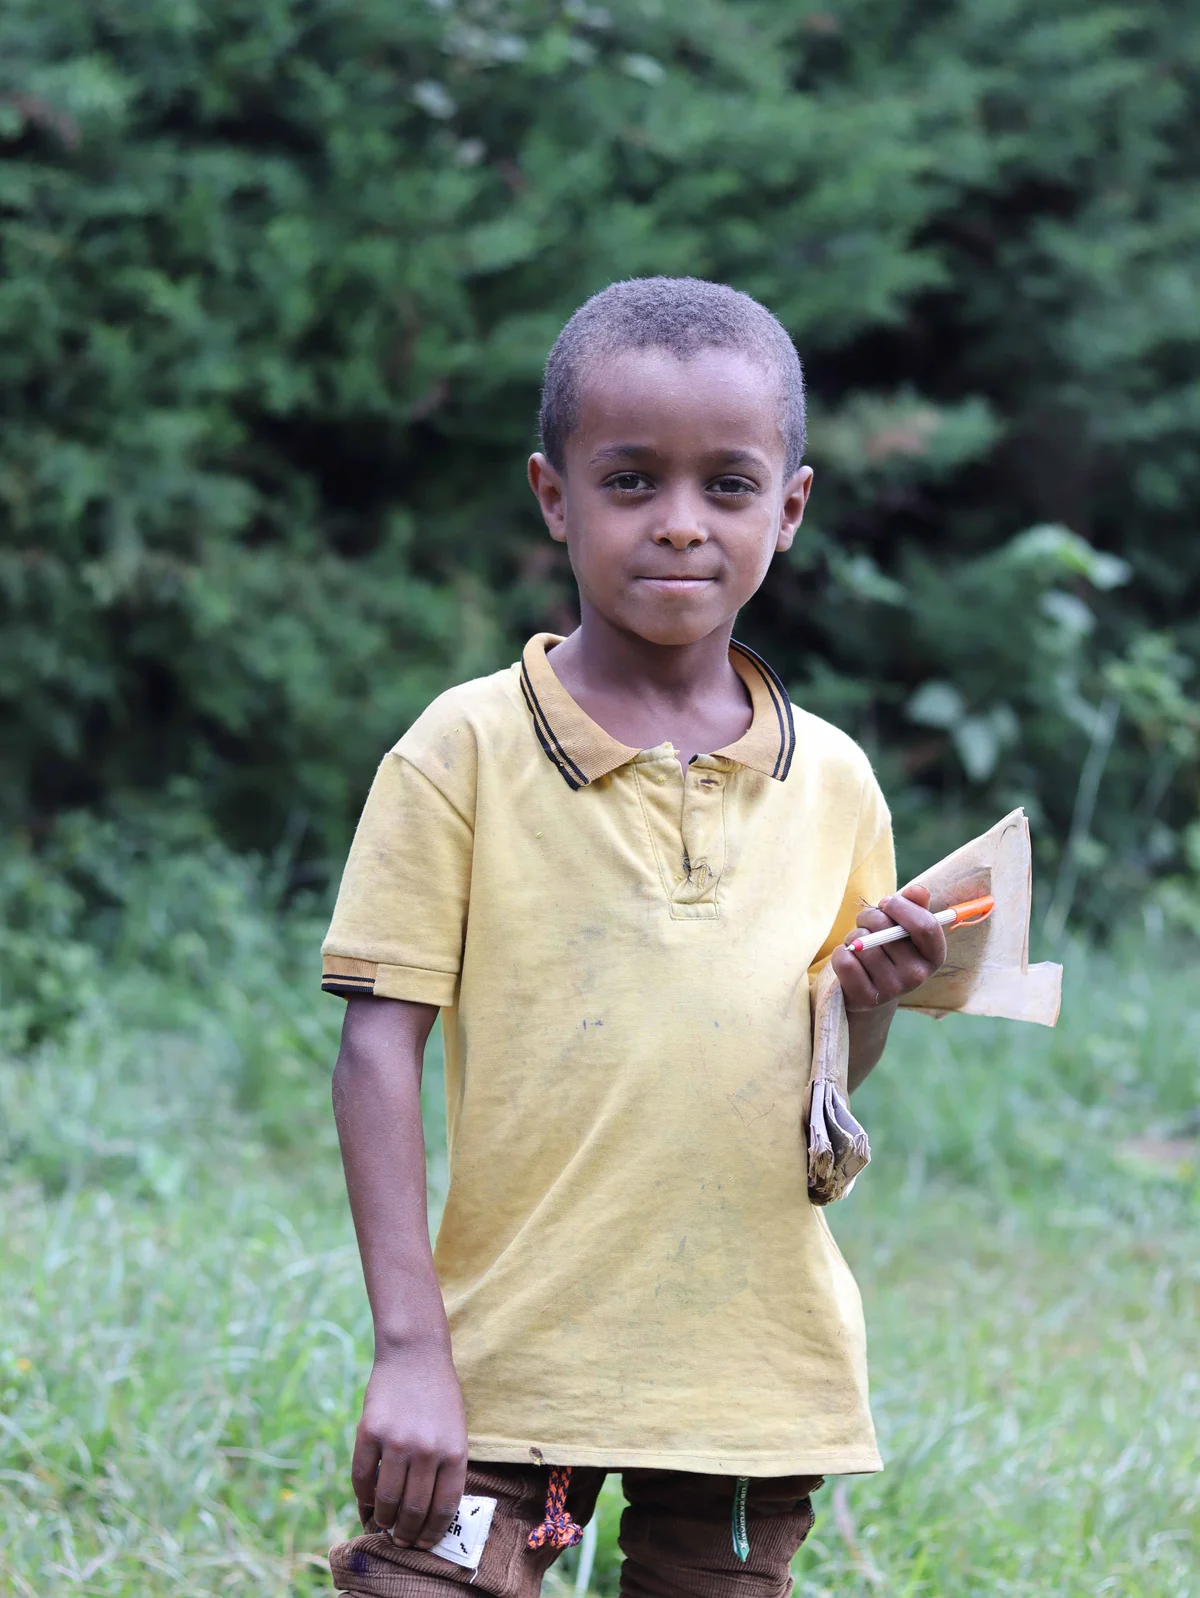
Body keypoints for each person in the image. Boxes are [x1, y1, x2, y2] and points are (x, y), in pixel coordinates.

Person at [321, 277, 947, 1598]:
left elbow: (822, 1083)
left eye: (727, 486)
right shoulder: (466, 751)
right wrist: (409, 1347)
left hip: (744, 1374)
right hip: (500, 1365)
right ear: (555, 497)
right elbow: (377, 1052)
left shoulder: (833, 783)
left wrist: (871, 999)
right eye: (629, 482)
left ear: (789, 506)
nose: (679, 523)